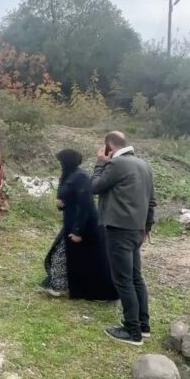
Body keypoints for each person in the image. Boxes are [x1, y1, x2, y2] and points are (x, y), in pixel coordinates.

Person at [91, 131, 156, 346]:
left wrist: (100, 164)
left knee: (123, 280)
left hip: (119, 229)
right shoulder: (143, 165)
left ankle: (132, 331)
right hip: (136, 230)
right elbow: (151, 201)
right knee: (136, 278)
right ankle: (143, 325)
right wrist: (146, 227)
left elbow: (94, 187)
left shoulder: (117, 165)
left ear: (109, 146)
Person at [41, 149, 118, 302]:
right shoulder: (69, 175)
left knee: (86, 259)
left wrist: (78, 230)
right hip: (73, 223)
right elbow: (67, 198)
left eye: (62, 162)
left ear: (68, 162)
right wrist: (61, 205)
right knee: (71, 256)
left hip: (85, 225)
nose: (60, 164)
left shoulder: (81, 177)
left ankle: (63, 287)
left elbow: (85, 205)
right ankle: (62, 285)